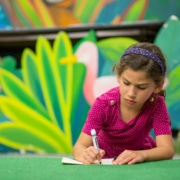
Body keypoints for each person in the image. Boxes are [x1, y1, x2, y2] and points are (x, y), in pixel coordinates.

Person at [73, 42, 174, 165]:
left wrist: (142, 155)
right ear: (119, 76)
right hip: (105, 162)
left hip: (139, 163)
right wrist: (86, 155)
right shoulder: (103, 104)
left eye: (141, 87)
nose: (131, 93)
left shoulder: (156, 104)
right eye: (126, 83)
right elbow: (79, 147)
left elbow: (167, 150)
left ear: (158, 86)